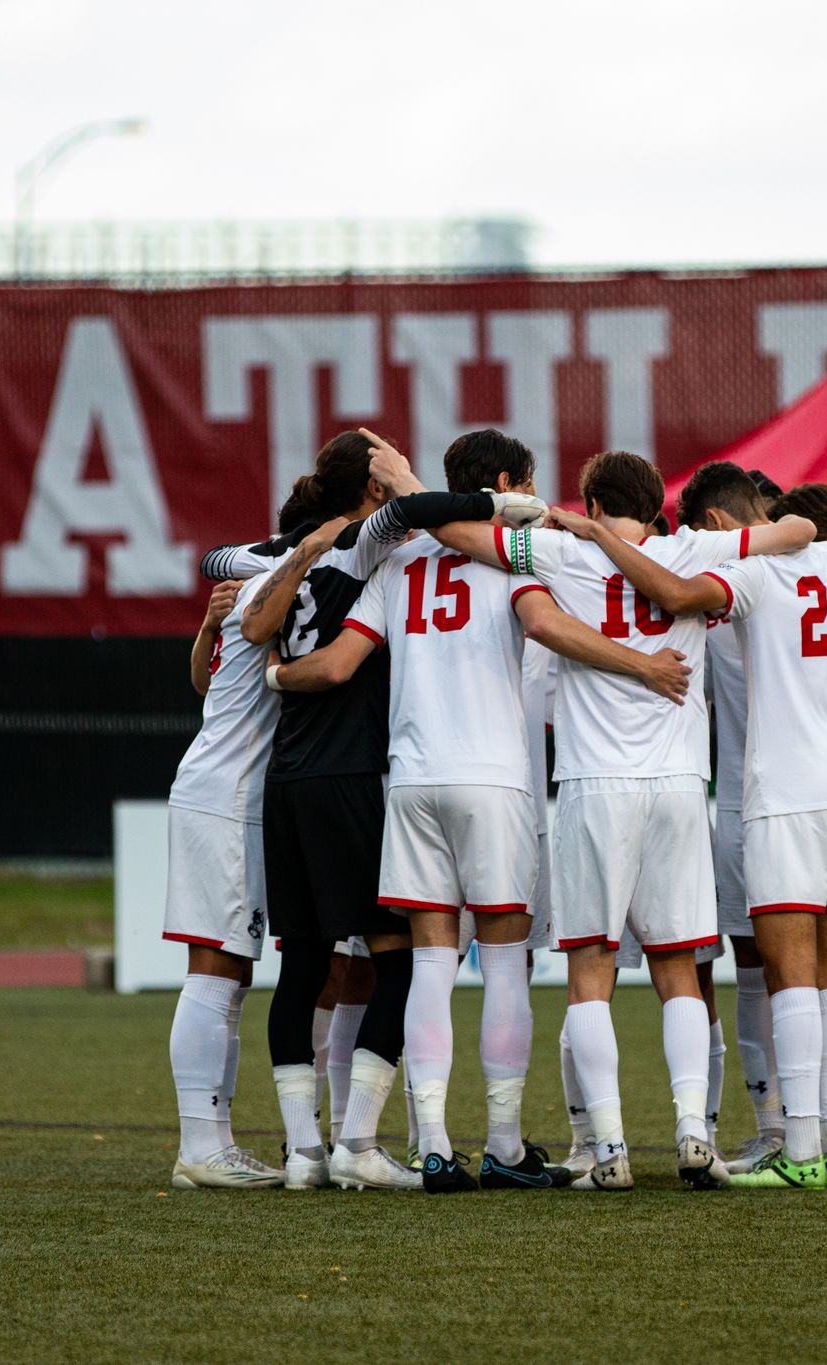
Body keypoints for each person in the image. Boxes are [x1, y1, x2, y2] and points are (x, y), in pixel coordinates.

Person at [267, 429, 689, 1193]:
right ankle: (501, 1142)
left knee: (430, 960)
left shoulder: (398, 563)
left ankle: (432, 1143)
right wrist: (642, 664)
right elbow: (548, 625)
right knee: (501, 962)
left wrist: (277, 673)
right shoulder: (510, 555)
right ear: (501, 481)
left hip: (413, 780)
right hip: (492, 778)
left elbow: (341, 662)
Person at [434, 450, 816, 1191]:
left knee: (590, 970)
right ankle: (690, 1131)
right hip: (677, 785)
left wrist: (538, 519)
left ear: (593, 501)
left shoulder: (558, 551)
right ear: (653, 503)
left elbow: (459, 538)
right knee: (679, 969)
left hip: (594, 785)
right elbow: (794, 531)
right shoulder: (690, 549)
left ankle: (606, 1147)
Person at [567, 480, 827, 1190]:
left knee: (786, 974)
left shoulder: (750, 573)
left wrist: (599, 538)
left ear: (717, 522)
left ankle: (800, 1149)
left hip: (780, 794)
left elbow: (678, 597)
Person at [206, 430, 546, 1191]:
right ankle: (361, 1138)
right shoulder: (373, 545)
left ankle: (302, 1152)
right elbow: (431, 512)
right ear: (373, 490)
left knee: (302, 969)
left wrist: (276, 671)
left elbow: (216, 562)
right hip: (356, 775)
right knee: (406, 956)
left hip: (287, 779)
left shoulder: (278, 554)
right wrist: (462, 493)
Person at [673, 461, 783, 1173]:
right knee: (773, 968)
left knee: (762, 968)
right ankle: (785, 1124)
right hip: (772, 802)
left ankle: (776, 1124)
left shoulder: (707, 589)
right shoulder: (819, 571)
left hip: (748, 805)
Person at [162, 574, 289, 1189]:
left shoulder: (254, 583)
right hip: (227, 795)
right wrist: (211, 627)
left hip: (222, 790)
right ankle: (198, 1145)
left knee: (232, 973)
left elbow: (205, 681)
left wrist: (212, 626)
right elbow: (209, 679)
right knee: (214, 969)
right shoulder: (283, 582)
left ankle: (213, 1142)